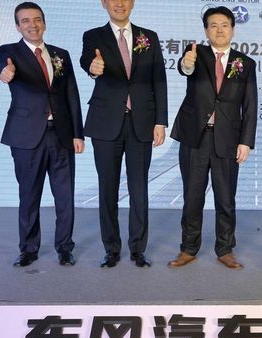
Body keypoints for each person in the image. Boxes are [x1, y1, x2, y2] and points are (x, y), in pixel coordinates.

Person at [80, 0, 167, 268]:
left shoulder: (148, 37)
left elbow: (159, 79)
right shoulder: (93, 36)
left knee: (139, 188)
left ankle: (138, 249)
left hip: (142, 122)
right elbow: (87, 60)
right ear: (104, 3)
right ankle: (112, 248)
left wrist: (160, 121)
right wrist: (92, 67)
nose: (120, 3)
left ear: (132, 3)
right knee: (108, 188)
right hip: (106, 123)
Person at [168, 6, 257, 269]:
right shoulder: (195, 54)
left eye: (224, 25)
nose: (219, 30)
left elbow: (250, 105)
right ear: (206, 30)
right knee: (192, 196)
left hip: (227, 139)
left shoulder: (245, 63)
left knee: (225, 197)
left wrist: (245, 141)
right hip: (195, 137)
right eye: (213, 25)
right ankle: (188, 248)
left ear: (233, 29)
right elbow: (185, 69)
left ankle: (225, 249)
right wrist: (187, 64)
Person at [0, 2, 84, 267]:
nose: (32, 25)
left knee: (65, 195)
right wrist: (6, 73)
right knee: (29, 194)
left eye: (36, 19)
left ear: (44, 23)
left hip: (61, 135)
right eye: (25, 21)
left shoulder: (61, 54)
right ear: (17, 26)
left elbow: (71, 94)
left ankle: (65, 247)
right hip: (26, 137)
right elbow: (3, 69)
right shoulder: (9, 51)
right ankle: (28, 248)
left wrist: (78, 134)